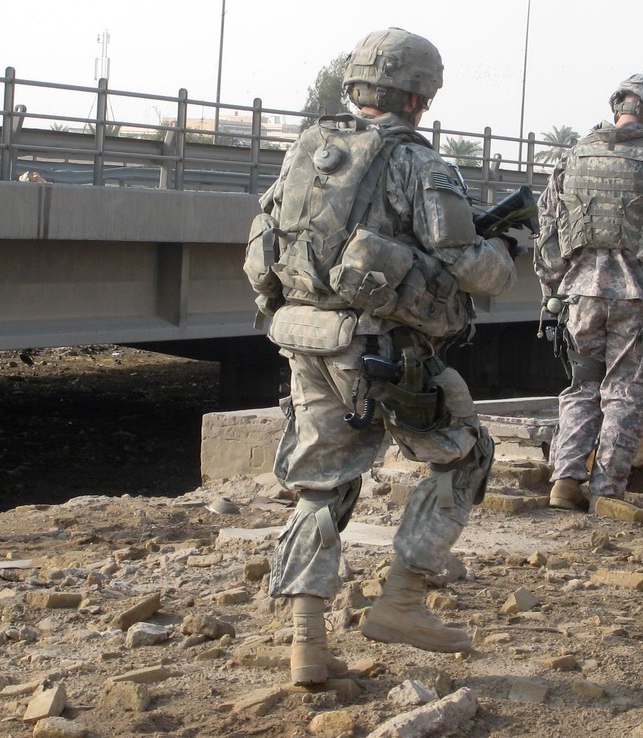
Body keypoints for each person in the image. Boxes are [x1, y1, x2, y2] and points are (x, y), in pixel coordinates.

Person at [244, 28, 518, 686]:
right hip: (383, 352)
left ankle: (307, 646)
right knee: (465, 454)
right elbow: (465, 260)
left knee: (322, 483)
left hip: (305, 336)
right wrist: (504, 256)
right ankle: (401, 601)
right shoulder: (419, 163)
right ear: (419, 96)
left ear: (357, 86)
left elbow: (270, 242)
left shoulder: (307, 150)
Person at [534, 73, 643, 513]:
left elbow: (547, 231)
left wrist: (552, 290)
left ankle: (565, 480)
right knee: (627, 393)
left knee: (582, 387)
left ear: (619, 107)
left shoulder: (572, 158)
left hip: (580, 295)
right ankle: (607, 489)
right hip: (640, 298)